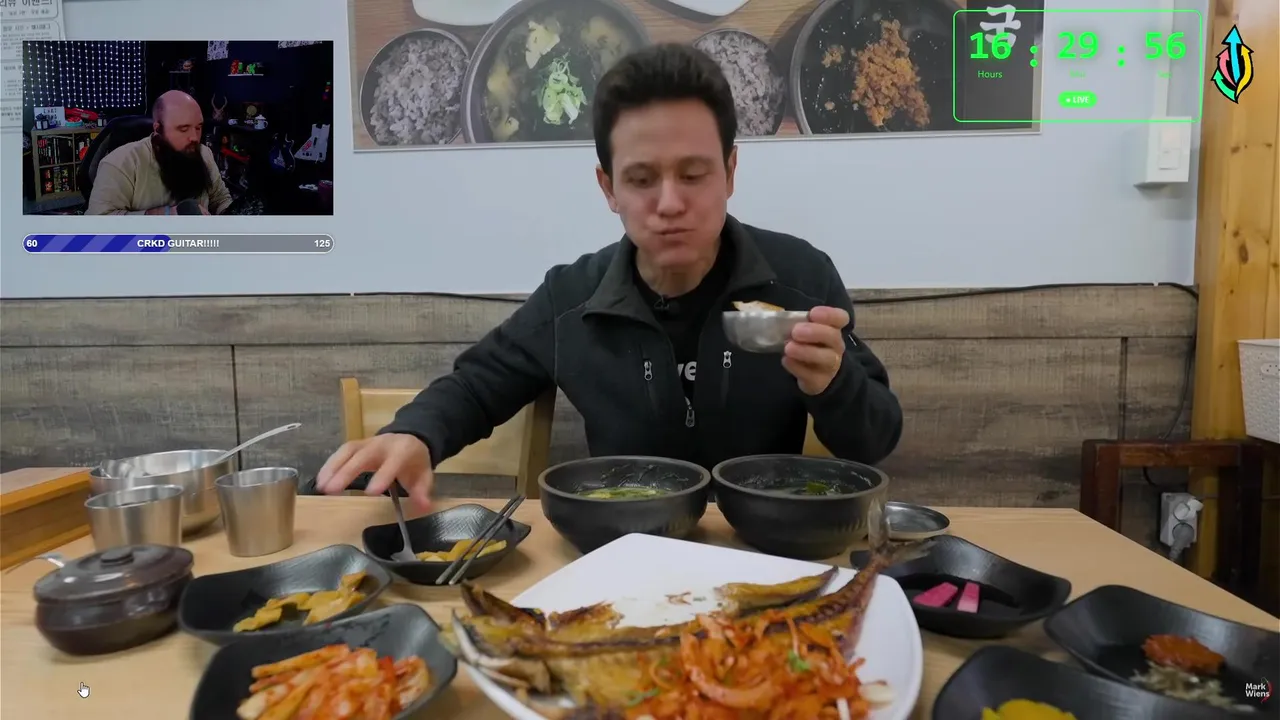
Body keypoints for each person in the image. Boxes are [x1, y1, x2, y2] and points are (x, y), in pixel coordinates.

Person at [317, 43, 903, 511]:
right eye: (642, 179)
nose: (669, 203)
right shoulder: (574, 297)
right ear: (609, 188)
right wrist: (416, 434)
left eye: (693, 175)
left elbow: (874, 440)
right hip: (623, 552)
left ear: (730, 172)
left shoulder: (799, 279)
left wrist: (834, 384)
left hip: (761, 547)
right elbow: (476, 385)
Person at [86, 90, 232, 216]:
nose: (194, 137)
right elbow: (98, 223)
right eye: (183, 129)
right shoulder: (120, 163)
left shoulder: (204, 154)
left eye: (198, 128)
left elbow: (221, 199)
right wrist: (163, 215)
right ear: (157, 129)